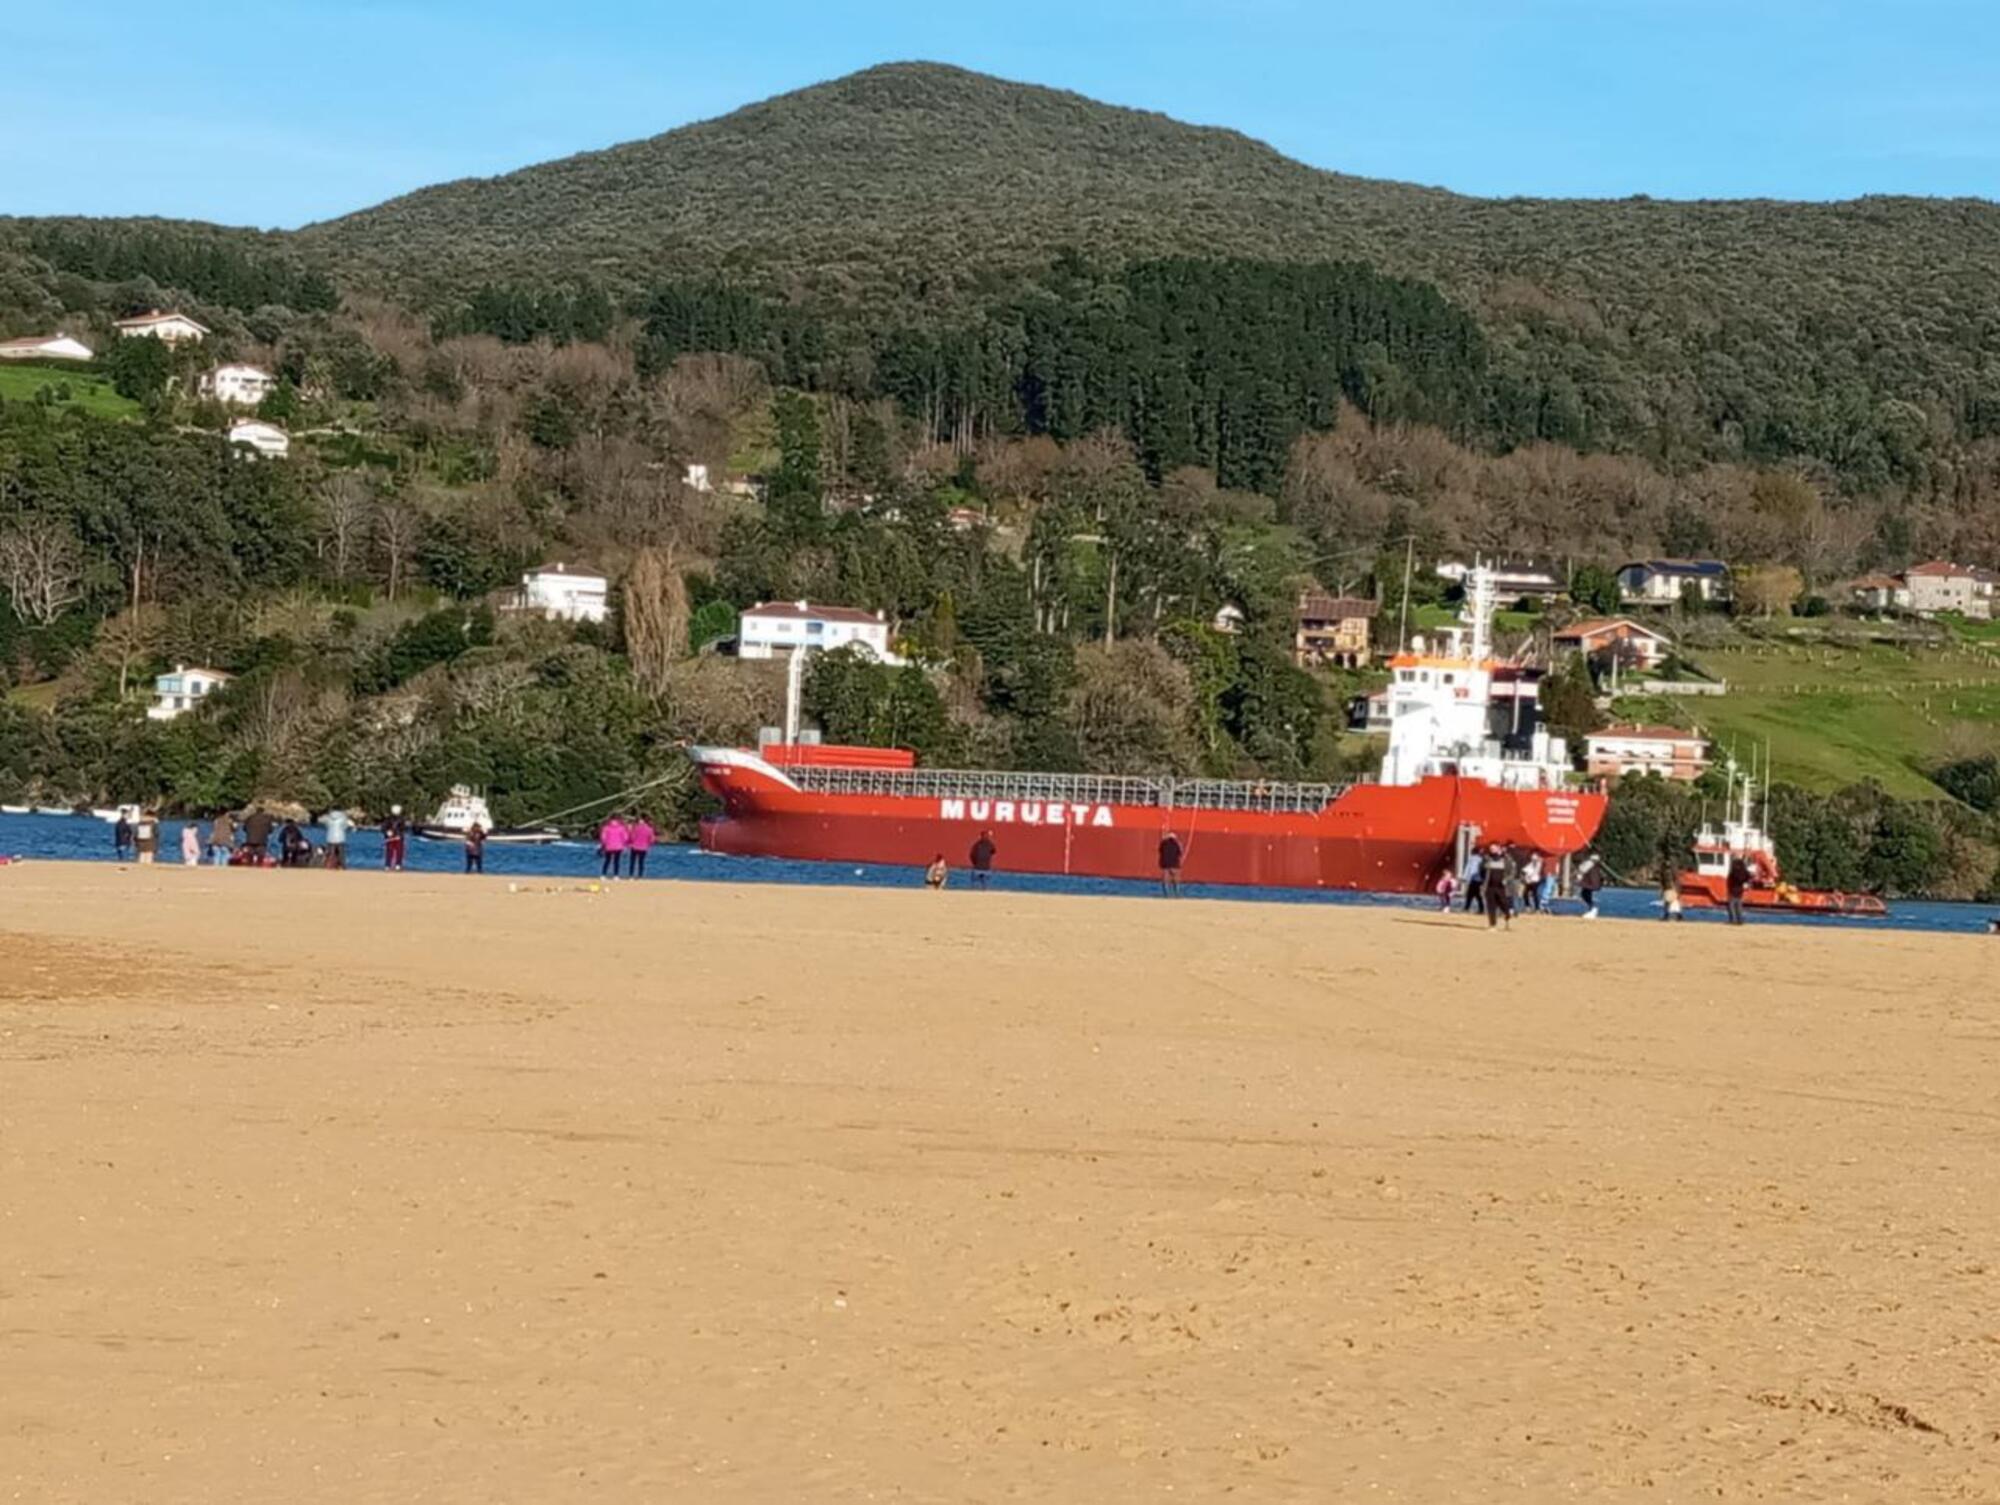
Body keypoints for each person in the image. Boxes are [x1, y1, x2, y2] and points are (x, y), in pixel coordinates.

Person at [1482, 845, 1512, 930]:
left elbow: (1511, 871)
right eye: (1491, 849)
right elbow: (1481, 870)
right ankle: (1492, 925)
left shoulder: (1506, 859)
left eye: (1494, 848)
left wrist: (1506, 879)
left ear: (1499, 849)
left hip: (1501, 886)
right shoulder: (1487, 859)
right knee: (1491, 905)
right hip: (1489, 886)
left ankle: (1507, 915)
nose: (1492, 850)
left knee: (1503, 903)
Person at [598, 813, 629, 879]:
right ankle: (616, 875)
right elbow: (625, 838)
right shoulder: (622, 828)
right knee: (616, 861)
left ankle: (603, 875)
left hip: (608, 846)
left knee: (607, 861)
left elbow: (603, 837)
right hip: (618, 846)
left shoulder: (606, 827)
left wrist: (603, 845)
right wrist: (624, 845)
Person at [1726, 854, 1752, 926]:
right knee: (1739, 906)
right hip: (1739, 891)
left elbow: (1730, 880)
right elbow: (1747, 877)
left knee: (1731, 906)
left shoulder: (1733, 873)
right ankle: (1739, 920)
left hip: (1733, 891)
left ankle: (1733, 920)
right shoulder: (1743, 873)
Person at [322, 805, 350, 871]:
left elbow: (326, 825)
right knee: (341, 853)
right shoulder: (343, 817)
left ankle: (329, 866)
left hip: (330, 837)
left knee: (330, 853)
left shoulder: (328, 817)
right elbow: (345, 826)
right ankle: (343, 866)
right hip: (340, 837)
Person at [627, 814, 655, 878]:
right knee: (641, 862)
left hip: (634, 847)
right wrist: (648, 844)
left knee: (632, 862)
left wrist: (630, 843)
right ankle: (640, 876)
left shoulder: (635, 828)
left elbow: (632, 837)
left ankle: (631, 875)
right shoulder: (649, 829)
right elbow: (652, 839)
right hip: (643, 847)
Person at [381, 805, 407, 872]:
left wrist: (399, 835)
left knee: (398, 852)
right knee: (391, 852)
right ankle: (389, 865)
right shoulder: (389, 819)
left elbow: (403, 829)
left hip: (398, 838)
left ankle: (395, 865)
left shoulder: (400, 819)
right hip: (392, 838)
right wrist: (387, 832)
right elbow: (384, 828)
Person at [1158, 831, 1184, 897]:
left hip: (1166, 864)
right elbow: (1180, 852)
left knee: (1165, 879)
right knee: (1176, 880)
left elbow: (1160, 850)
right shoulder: (1176, 844)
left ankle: (1166, 895)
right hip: (1175, 864)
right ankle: (1177, 894)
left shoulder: (1164, 843)